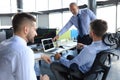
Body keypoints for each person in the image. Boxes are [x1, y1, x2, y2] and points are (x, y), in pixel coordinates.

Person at [0, 13, 50, 80]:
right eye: (34, 29)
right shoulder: (24, 52)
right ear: (26, 30)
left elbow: (16, 56)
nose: (36, 33)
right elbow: (22, 54)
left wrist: (41, 55)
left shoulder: (4, 44)